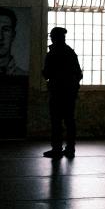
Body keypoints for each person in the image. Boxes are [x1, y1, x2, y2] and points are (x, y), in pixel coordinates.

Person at [41, 26, 83, 158]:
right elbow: (79, 74)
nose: (50, 38)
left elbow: (47, 73)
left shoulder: (53, 53)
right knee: (69, 120)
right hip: (69, 93)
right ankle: (70, 148)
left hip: (57, 92)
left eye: (52, 36)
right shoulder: (70, 52)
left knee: (56, 121)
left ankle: (57, 149)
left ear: (54, 38)